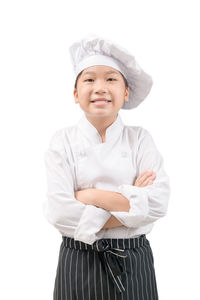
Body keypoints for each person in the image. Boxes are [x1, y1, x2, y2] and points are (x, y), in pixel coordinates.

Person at [43, 34, 170, 300]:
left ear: (125, 92)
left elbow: (158, 202)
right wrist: (131, 202)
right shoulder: (62, 141)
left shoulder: (140, 139)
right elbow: (59, 212)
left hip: (134, 262)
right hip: (78, 262)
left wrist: (89, 197)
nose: (100, 87)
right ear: (76, 94)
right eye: (89, 79)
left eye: (111, 79)